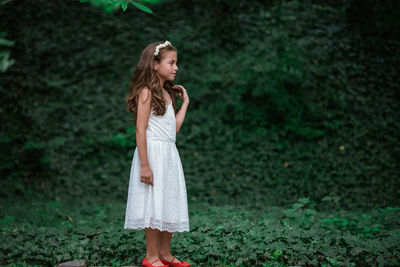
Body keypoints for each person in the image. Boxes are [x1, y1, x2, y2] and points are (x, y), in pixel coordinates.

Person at [124, 41, 191, 267]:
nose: (176, 68)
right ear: (155, 64)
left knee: (168, 201)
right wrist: (145, 164)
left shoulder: (167, 93)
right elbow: (140, 129)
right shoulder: (146, 92)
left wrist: (184, 105)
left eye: (176, 63)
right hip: (152, 153)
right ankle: (150, 256)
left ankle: (164, 253)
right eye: (171, 63)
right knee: (152, 204)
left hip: (169, 154)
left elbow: (173, 129)